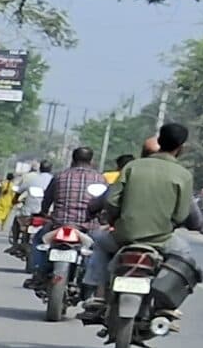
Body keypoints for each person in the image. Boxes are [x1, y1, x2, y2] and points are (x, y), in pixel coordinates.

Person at [81, 124, 196, 319]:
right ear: (181, 147)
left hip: (123, 236)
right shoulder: (183, 175)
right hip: (161, 240)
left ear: (159, 142)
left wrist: (115, 219)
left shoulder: (132, 167)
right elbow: (181, 214)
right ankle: (166, 305)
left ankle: (99, 293)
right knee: (184, 253)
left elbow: (111, 201)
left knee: (99, 242)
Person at [26, 147, 105, 284]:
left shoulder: (60, 176)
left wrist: (44, 213)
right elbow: (105, 203)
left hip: (59, 224)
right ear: (91, 161)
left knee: (39, 240)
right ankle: (93, 281)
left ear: (73, 159)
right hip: (88, 227)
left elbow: (47, 199)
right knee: (99, 248)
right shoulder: (100, 179)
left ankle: (38, 272)